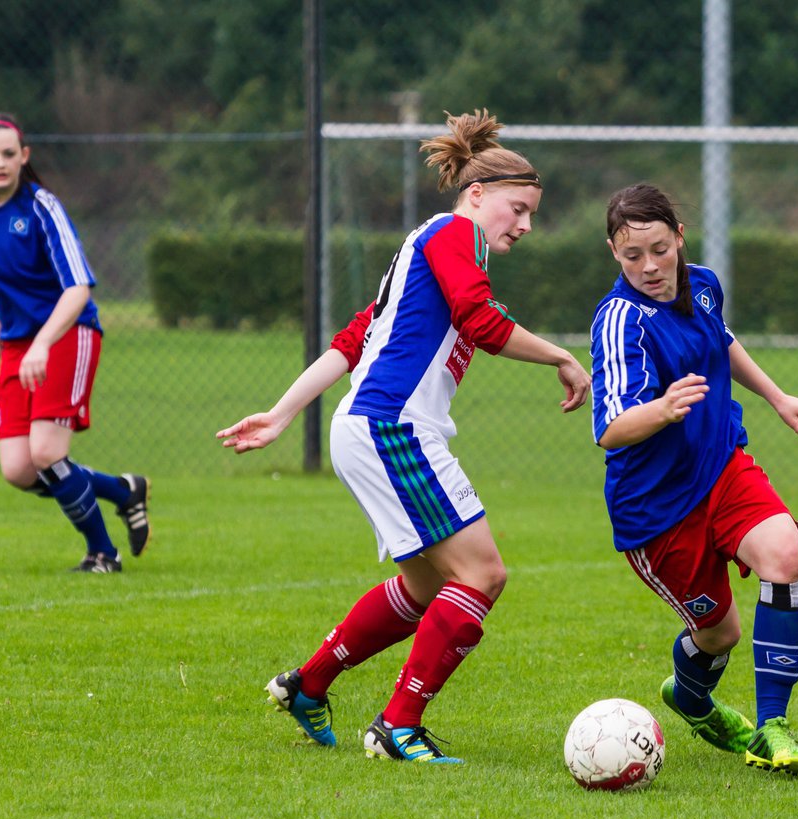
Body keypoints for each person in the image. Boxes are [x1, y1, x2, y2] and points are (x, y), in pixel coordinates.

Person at [217, 109, 590, 764]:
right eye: (518, 208)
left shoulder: (427, 249)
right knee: (482, 573)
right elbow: (483, 324)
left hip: (371, 427)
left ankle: (307, 685)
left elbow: (353, 341)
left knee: (423, 589)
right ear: (477, 195)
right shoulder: (452, 234)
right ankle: (398, 727)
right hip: (393, 429)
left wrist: (280, 416)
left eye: (533, 213)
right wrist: (561, 354)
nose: (526, 225)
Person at [589, 184, 798, 775]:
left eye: (659, 250)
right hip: (658, 510)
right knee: (718, 635)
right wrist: (662, 410)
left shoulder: (704, 283)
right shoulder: (620, 320)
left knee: (784, 557)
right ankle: (690, 697)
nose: (649, 267)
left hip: (722, 465)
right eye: (631, 256)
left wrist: (775, 395)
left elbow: (723, 339)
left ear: (679, 237)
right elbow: (611, 428)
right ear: (614, 252)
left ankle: (772, 729)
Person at [0, 113, 150, 574]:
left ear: (24, 157)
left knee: (46, 453)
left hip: (67, 333)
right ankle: (123, 492)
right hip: (18, 345)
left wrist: (43, 343)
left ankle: (103, 553)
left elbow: (78, 287)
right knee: (19, 470)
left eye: (7, 154)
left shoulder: (41, 206)